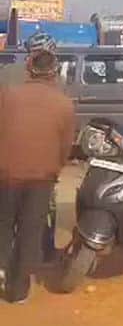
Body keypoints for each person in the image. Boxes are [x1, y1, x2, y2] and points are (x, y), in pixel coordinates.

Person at [0, 49, 76, 303]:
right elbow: (66, 146)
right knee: (30, 232)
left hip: (6, 173)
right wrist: (56, 167)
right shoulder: (64, 104)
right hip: (42, 176)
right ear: (54, 72)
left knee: (3, 224)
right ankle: (17, 290)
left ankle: (1, 265)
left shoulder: (8, 96)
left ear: (29, 69)